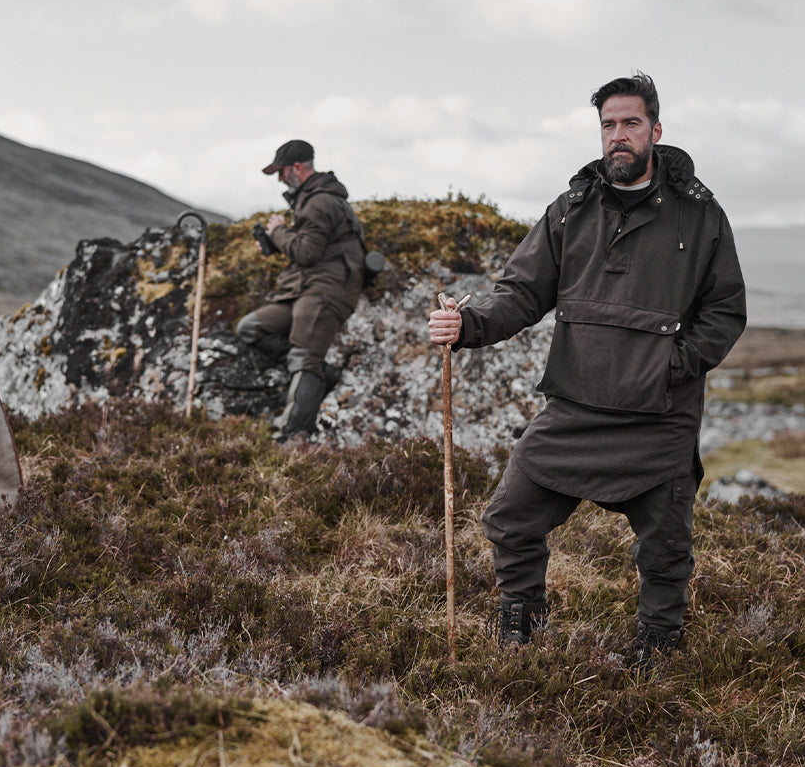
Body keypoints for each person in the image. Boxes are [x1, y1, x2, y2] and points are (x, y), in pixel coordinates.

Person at [428, 72, 746, 667]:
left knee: (665, 549)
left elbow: (724, 310)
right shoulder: (571, 209)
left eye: (631, 123)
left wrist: (671, 364)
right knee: (510, 519)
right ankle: (522, 628)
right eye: (608, 125)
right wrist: (468, 325)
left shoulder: (701, 215)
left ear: (656, 129)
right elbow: (522, 292)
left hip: (659, 414)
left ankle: (658, 652)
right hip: (575, 405)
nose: (618, 135)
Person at [236, 139, 366, 441]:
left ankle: (292, 437)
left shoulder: (319, 201)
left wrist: (278, 231)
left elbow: (307, 252)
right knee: (250, 328)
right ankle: (321, 373)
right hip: (303, 289)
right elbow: (311, 247)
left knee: (304, 357)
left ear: (296, 168)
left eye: (281, 172)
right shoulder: (312, 200)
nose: (280, 179)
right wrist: (276, 241)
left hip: (326, 291)